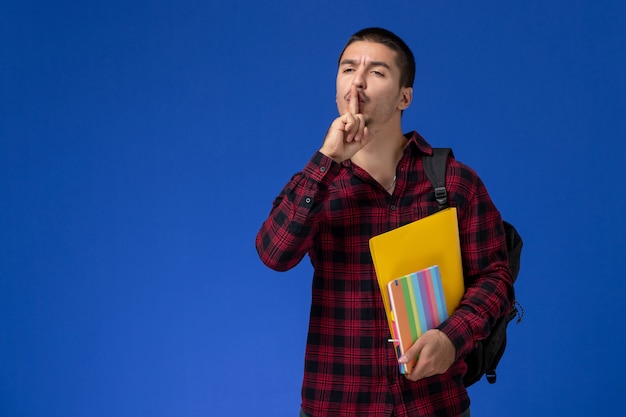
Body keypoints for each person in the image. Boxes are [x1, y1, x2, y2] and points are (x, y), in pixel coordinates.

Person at [255, 27, 513, 417]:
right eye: (347, 69)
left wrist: (451, 338)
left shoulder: (455, 181)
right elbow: (274, 254)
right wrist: (327, 159)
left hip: (433, 404)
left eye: (376, 72)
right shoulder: (316, 183)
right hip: (337, 403)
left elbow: (496, 278)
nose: (357, 80)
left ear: (404, 97)